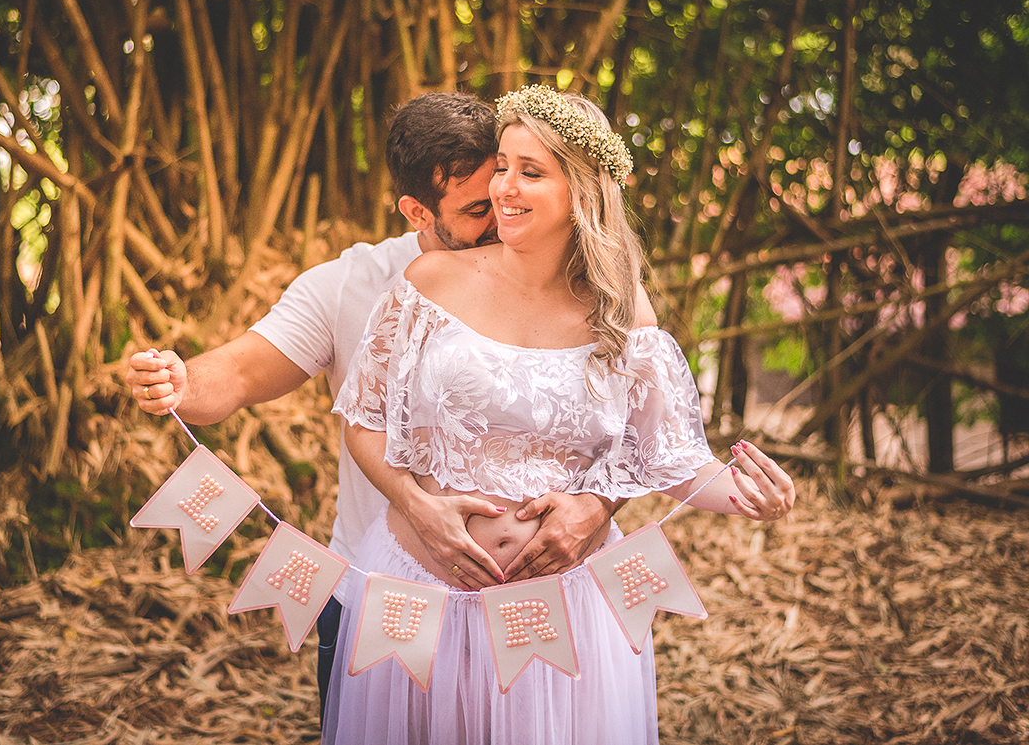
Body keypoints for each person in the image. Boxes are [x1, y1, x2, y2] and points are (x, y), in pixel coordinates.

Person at [124, 92, 653, 721]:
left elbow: (635, 433)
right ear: (415, 210)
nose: (501, 217)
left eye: (512, 183)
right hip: (389, 603)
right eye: (478, 208)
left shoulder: (573, 286)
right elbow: (239, 372)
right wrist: (182, 381)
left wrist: (597, 507)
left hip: (544, 612)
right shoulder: (355, 283)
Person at [324, 85, 796, 744]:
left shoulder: (623, 312)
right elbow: (363, 418)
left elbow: (672, 462)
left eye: (530, 171)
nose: (503, 188)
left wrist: (749, 496)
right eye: (503, 167)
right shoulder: (431, 283)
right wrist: (416, 503)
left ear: (582, 192)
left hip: (563, 617)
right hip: (418, 596)